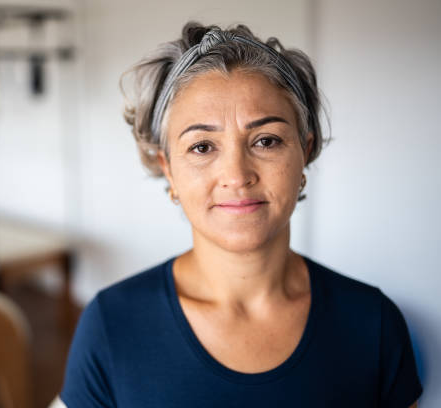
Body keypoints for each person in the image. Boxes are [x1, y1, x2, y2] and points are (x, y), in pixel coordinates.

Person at [59, 21, 423, 407]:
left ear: (305, 151)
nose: (236, 175)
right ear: (168, 169)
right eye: (202, 147)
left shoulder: (373, 323)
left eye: (266, 141)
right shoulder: (112, 325)